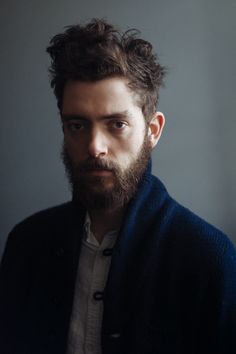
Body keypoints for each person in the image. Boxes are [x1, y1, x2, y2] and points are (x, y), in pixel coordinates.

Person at [0, 18, 235, 354]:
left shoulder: (208, 258)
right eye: (78, 125)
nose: (95, 146)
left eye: (117, 124)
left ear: (153, 130)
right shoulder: (27, 245)